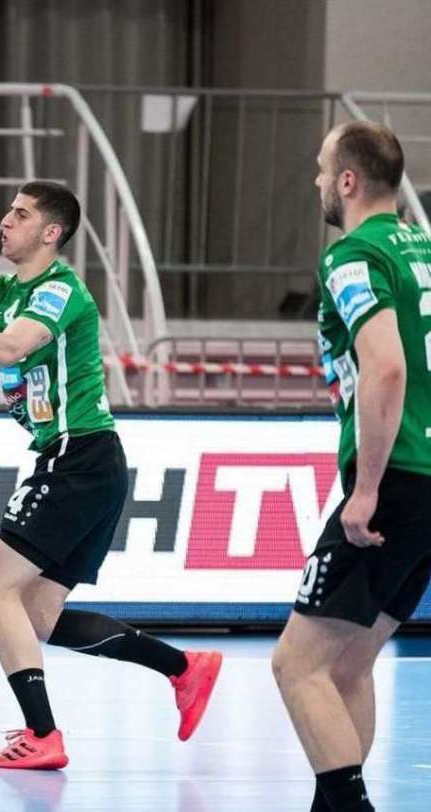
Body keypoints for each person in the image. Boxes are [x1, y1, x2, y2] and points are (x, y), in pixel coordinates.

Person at [0, 181, 222, 768]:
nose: (5, 221)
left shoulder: (59, 291)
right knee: (38, 616)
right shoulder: (6, 288)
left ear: (51, 233)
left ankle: (43, 735)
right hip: (87, 463)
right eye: (9, 210)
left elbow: (10, 348)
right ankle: (184, 668)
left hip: (77, 457)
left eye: (21, 214)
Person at [272, 121, 431, 812]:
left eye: (320, 168)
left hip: (396, 475)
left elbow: (386, 368)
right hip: (426, 478)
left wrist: (365, 490)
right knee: (349, 664)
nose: (315, 181)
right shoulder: (424, 249)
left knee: (296, 665)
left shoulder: (353, 255)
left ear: (347, 180)